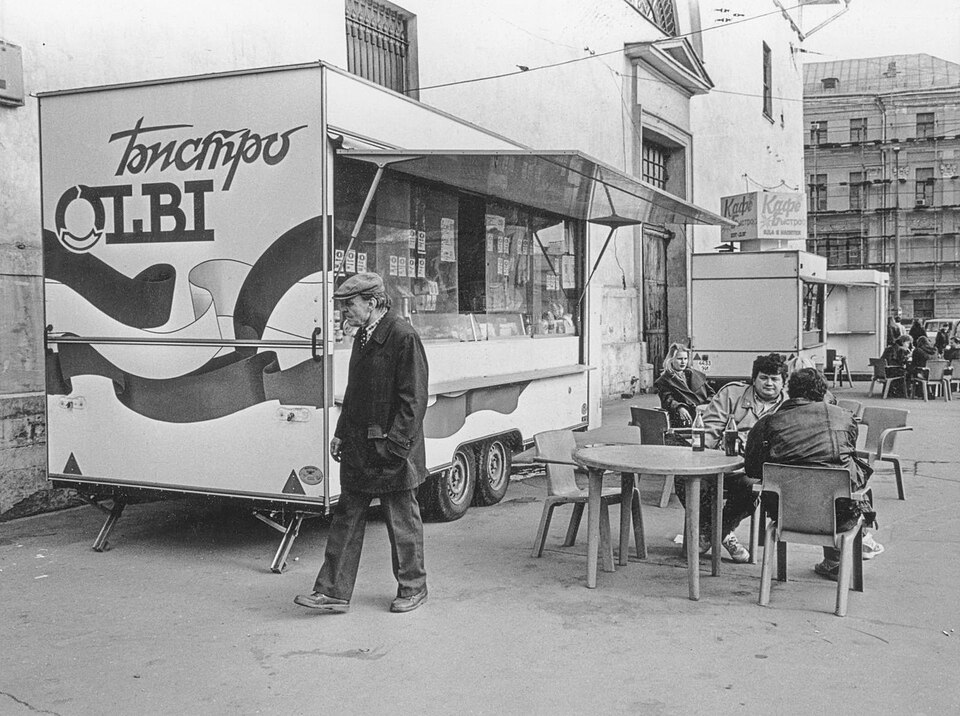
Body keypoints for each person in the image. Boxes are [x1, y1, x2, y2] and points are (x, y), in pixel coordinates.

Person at [295, 272, 430, 614]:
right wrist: (341, 432)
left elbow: (414, 401)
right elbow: (355, 394)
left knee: (402, 523)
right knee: (347, 518)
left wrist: (396, 448)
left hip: (393, 451)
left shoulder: (403, 337)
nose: (345, 313)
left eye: (350, 305)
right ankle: (332, 592)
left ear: (372, 303)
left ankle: (413, 588)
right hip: (361, 447)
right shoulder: (364, 337)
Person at [744, 367, 883, 580]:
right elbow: (847, 456)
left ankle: (833, 560)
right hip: (839, 516)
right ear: (822, 392)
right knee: (840, 479)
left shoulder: (767, 422)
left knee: (820, 481)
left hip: (785, 515)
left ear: (789, 391)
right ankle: (846, 551)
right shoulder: (844, 417)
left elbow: (752, 469)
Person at [676, 353, 789, 563]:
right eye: (764, 378)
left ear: (784, 383)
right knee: (684, 478)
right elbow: (709, 430)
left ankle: (715, 532)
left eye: (775, 379)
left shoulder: (789, 407)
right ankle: (723, 534)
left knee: (750, 488)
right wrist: (697, 460)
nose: (769, 383)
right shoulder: (731, 394)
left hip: (755, 471)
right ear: (754, 379)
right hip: (721, 463)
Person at [653, 342, 715, 427]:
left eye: (685, 359)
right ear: (671, 360)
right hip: (684, 420)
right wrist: (679, 407)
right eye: (679, 359)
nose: (683, 362)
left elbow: (712, 394)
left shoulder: (696, 374)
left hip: (706, 416)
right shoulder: (664, 380)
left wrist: (706, 406)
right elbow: (667, 400)